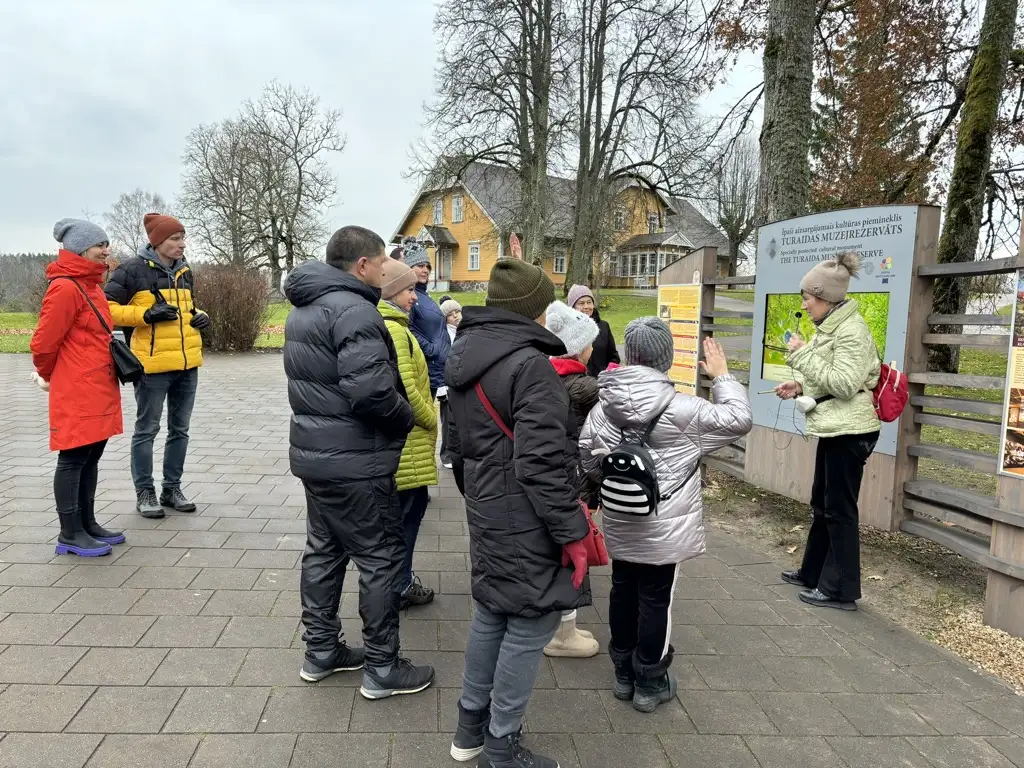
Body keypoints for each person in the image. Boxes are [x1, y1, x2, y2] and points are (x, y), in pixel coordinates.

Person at [445, 259, 592, 768]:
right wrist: (572, 532)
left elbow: (457, 449)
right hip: (528, 515)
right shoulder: (531, 367)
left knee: (492, 611)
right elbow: (541, 464)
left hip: (487, 508)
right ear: (535, 309)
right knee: (531, 623)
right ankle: (501, 745)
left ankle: (469, 729)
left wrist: (482, 500)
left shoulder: (463, 354)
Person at [284, 225, 435, 698]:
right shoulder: (355, 310)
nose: (388, 269)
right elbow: (370, 392)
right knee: (380, 558)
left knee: (324, 552)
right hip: (356, 461)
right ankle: (383, 667)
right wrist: (405, 419)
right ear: (363, 264)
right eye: (383, 261)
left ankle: (321, 651)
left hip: (316, 458)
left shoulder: (305, 308)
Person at [581, 320, 752, 713]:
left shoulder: (604, 406)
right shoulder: (685, 408)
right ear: (667, 357)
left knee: (622, 590)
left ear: (629, 354)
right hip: (666, 524)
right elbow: (739, 419)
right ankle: (649, 681)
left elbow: (587, 455)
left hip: (621, 517)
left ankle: (623, 674)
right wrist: (722, 377)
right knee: (656, 599)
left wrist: (614, 484)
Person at [774, 252, 881, 612]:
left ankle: (840, 591)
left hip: (852, 432)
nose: (804, 304)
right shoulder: (833, 326)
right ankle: (813, 573)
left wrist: (802, 355)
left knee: (839, 511)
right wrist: (800, 387)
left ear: (826, 298)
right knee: (822, 504)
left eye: (808, 298)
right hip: (837, 427)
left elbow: (846, 384)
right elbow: (831, 379)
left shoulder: (852, 332)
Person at [31, 219, 127, 557]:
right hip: (77, 387)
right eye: (100, 244)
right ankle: (69, 533)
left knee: (91, 455)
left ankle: (87, 523)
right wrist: (49, 376)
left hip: (98, 384)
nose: (106, 250)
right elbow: (43, 343)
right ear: (81, 249)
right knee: (73, 457)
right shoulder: (66, 288)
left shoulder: (92, 286)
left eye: (106, 244)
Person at [105, 214, 209, 519]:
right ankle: (145, 492)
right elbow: (105, 309)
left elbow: (187, 308)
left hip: (187, 364)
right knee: (147, 430)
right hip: (151, 367)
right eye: (175, 238)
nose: (182, 244)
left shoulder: (184, 270)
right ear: (158, 241)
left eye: (182, 238)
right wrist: (145, 315)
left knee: (180, 430)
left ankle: (171, 489)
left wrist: (200, 315)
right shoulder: (131, 270)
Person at [541, 300, 601, 659]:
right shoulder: (586, 387)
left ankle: (557, 625)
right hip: (574, 479)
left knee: (555, 551)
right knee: (573, 553)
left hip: (551, 477)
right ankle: (564, 633)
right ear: (579, 348)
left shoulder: (544, 376)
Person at [377, 259, 438, 610]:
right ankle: (399, 586)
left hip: (405, 443)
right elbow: (406, 387)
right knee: (405, 520)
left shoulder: (392, 324)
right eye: (408, 289)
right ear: (391, 292)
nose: (414, 297)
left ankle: (395, 583)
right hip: (409, 443)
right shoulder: (395, 330)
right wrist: (431, 418)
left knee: (401, 518)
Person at [403, 237, 451, 398]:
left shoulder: (424, 295)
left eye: (428, 266)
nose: (426, 270)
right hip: (427, 366)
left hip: (438, 365)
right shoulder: (409, 295)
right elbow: (407, 329)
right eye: (420, 266)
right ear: (409, 268)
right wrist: (432, 350)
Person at [567, 284, 619, 376]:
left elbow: (613, 357)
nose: (586, 306)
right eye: (581, 303)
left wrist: (608, 374)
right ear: (572, 307)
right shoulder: (566, 330)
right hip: (578, 382)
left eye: (589, 302)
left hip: (603, 380)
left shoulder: (603, 326)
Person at [437, 298, 463, 468]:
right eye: (450, 314)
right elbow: (440, 361)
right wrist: (441, 386)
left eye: (457, 312)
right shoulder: (444, 335)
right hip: (447, 385)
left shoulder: (463, 331)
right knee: (448, 422)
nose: (455, 316)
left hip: (461, 383)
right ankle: (446, 455)